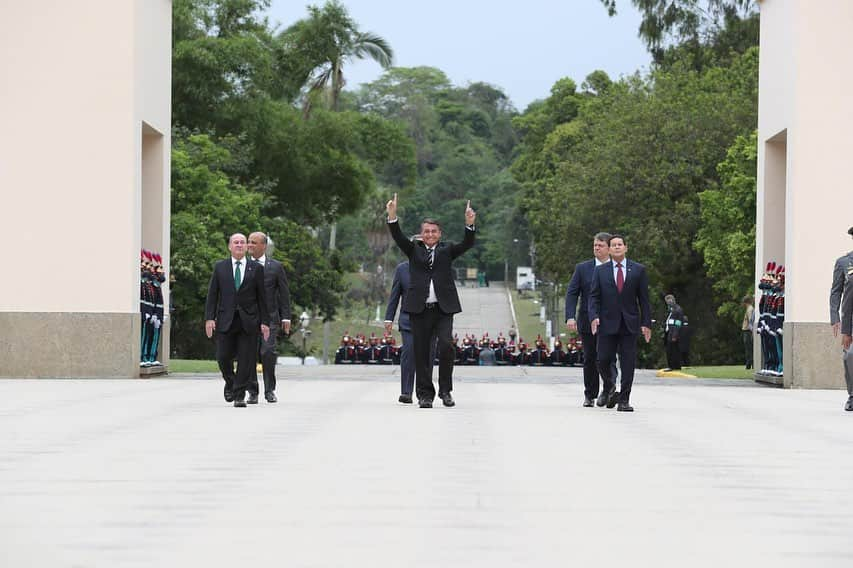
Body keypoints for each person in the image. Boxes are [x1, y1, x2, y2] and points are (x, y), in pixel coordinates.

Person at [386, 193, 476, 408]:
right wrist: (392, 215)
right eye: (426, 231)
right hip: (419, 309)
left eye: (434, 231)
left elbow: (467, 243)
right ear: (421, 234)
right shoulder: (413, 250)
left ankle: (445, 391)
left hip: (443, 309)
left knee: (446, 347)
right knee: (421, 352)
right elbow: (398, 236)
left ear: (439, 234)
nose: (430, 234)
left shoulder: (447, 251)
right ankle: (425, 395)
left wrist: (470, 224)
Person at [205, 233, 270, 407]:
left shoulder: (256, 268)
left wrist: (265, 322)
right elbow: (212, 295)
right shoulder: (220, 267)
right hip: (226, 319)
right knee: (222, 356)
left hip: (249, 321)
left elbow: (262, 297)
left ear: (247, 247)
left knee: (246, 359)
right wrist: (209, 318)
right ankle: (230, 382)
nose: (240, 245)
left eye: (242, 242)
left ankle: (239, 395)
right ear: (230, 246)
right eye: (236, 242)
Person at [589, 234, 652, 412]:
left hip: (629, 323)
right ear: (608, 250)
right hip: (607, 323)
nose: (617, 247)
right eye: (613, 245)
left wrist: (646, 323)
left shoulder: (638, 270)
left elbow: (644, 300)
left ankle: (624, 400)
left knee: (628, 363)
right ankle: (609, 386)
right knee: (602, 360)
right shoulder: (600, 271)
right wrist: (593, 316)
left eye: (620, 244)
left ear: (626, 248)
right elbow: (594, 297)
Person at [565, 232, 618, 407]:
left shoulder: (618, 269)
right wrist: (570, 316)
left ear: (609, 248)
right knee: (590, 358)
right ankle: (590, 394)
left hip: (610, 321)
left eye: (600, 245)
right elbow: (572, 293)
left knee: (608, 357)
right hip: (588, 321)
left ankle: (609, 389)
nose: (596, 248)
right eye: (595, 245)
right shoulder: (583, 268)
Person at [247, 232, 291, 404]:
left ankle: (269, 390)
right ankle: (252, 392)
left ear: (263, 246)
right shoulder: (244, 265)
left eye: (253, 242)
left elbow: (284, 294)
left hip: (271, 318)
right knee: (249, 354)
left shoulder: (276, 267)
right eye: (248, 242)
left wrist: (286, 317)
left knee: (267, 352)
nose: (249, 245)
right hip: (249, 318)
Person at [830, 226, 853, 410]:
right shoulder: (843, 263)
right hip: (850, 320)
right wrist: (834, 317)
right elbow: (836, 292)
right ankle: (852, 395)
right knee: (850, 356)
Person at [663, 294, 685, 371]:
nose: (668, 303)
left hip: (673, 333)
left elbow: (678, 323)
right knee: (671, 350)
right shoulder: (671, 310)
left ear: (672, 300)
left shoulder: (678, 310)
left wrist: (675, 335)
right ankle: (674, 366)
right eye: (667, 301)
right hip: (669, 332)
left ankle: (673, 366)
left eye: (669, 301)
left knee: (672, 351)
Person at [741, 295, 755, 370]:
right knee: (749, 348)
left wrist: (751, 330)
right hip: (747, 331)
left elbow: (750, 321)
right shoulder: (750, 308)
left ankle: (749, 364)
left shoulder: (749, 309)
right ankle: (750, 363)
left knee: (748, 348)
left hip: (747, 331)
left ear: (746, 302)